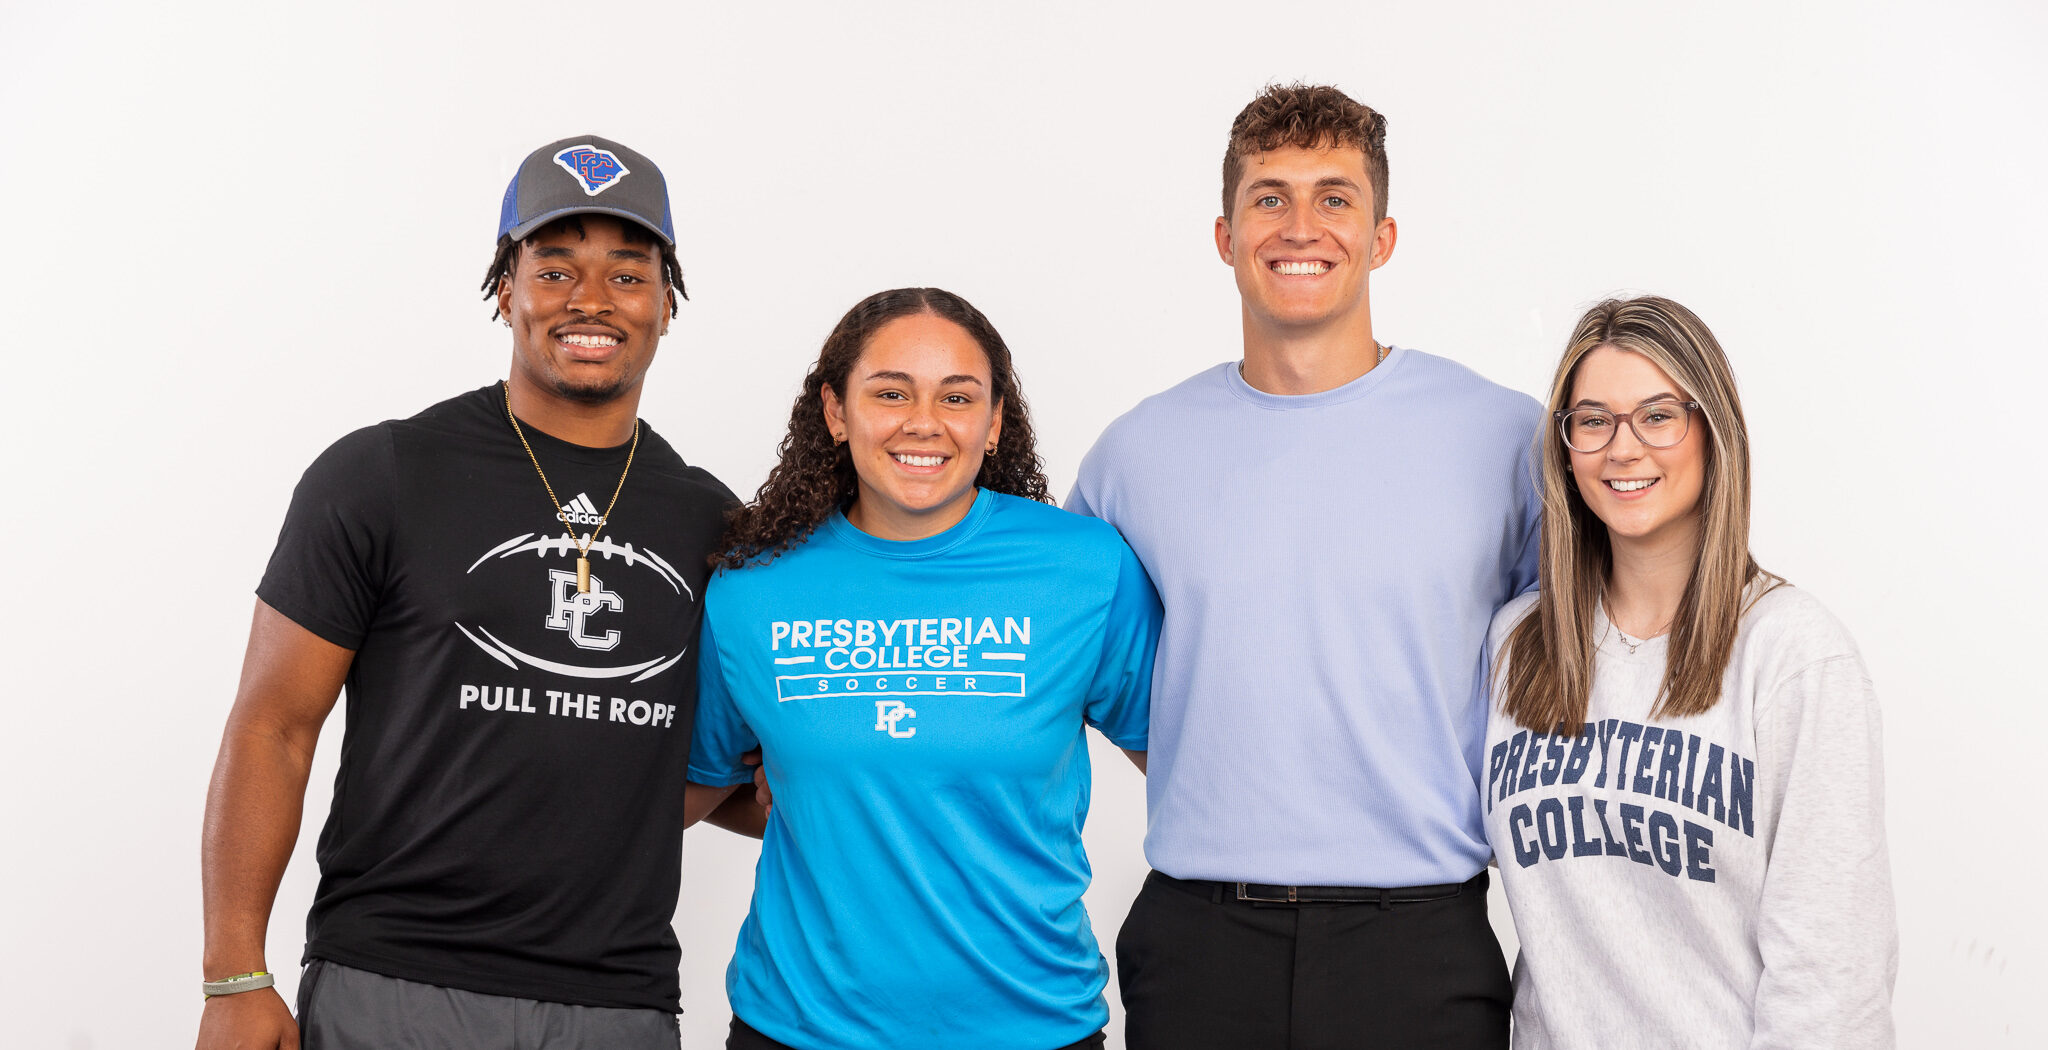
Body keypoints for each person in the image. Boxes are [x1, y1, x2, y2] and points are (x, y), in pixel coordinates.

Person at [197, 135, 742, 1049]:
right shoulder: (385, 473)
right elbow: (273, 726)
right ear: (506, 290)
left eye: (628, 273)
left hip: (621, 1001)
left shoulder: (713, 524)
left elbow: (719, 772)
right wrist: (232, 977)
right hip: (394, 981)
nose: (592, 301)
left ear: (665, 305)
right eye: (556, 268)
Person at [1067, 83, 1539, 1047]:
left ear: (1382, 237)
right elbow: (1072, 649)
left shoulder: (1504, 437)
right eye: (1269, 197)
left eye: (1335, 197)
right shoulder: (1138, 453)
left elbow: (1583, 655)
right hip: (1201, 939)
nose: (1300, 225)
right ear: (1225, 234)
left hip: (1421, 939)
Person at [683, 287, 1163, 1050]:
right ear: (836, 413)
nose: (924, 423)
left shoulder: (1082, 567)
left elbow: (1186, 772)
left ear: (996, 420)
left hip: (1032, 1027)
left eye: (958, 396)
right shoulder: (753, 588)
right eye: (890, 392)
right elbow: (698, 786)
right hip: (800, 1029)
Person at [1482, 295, 1897, 1047]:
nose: (1623, 448)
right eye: (1593, 420)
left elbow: (1833, 983)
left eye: (1658, 415)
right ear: (1565, 447)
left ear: (1713, 432)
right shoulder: (1518, 646)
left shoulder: (1794, 655)